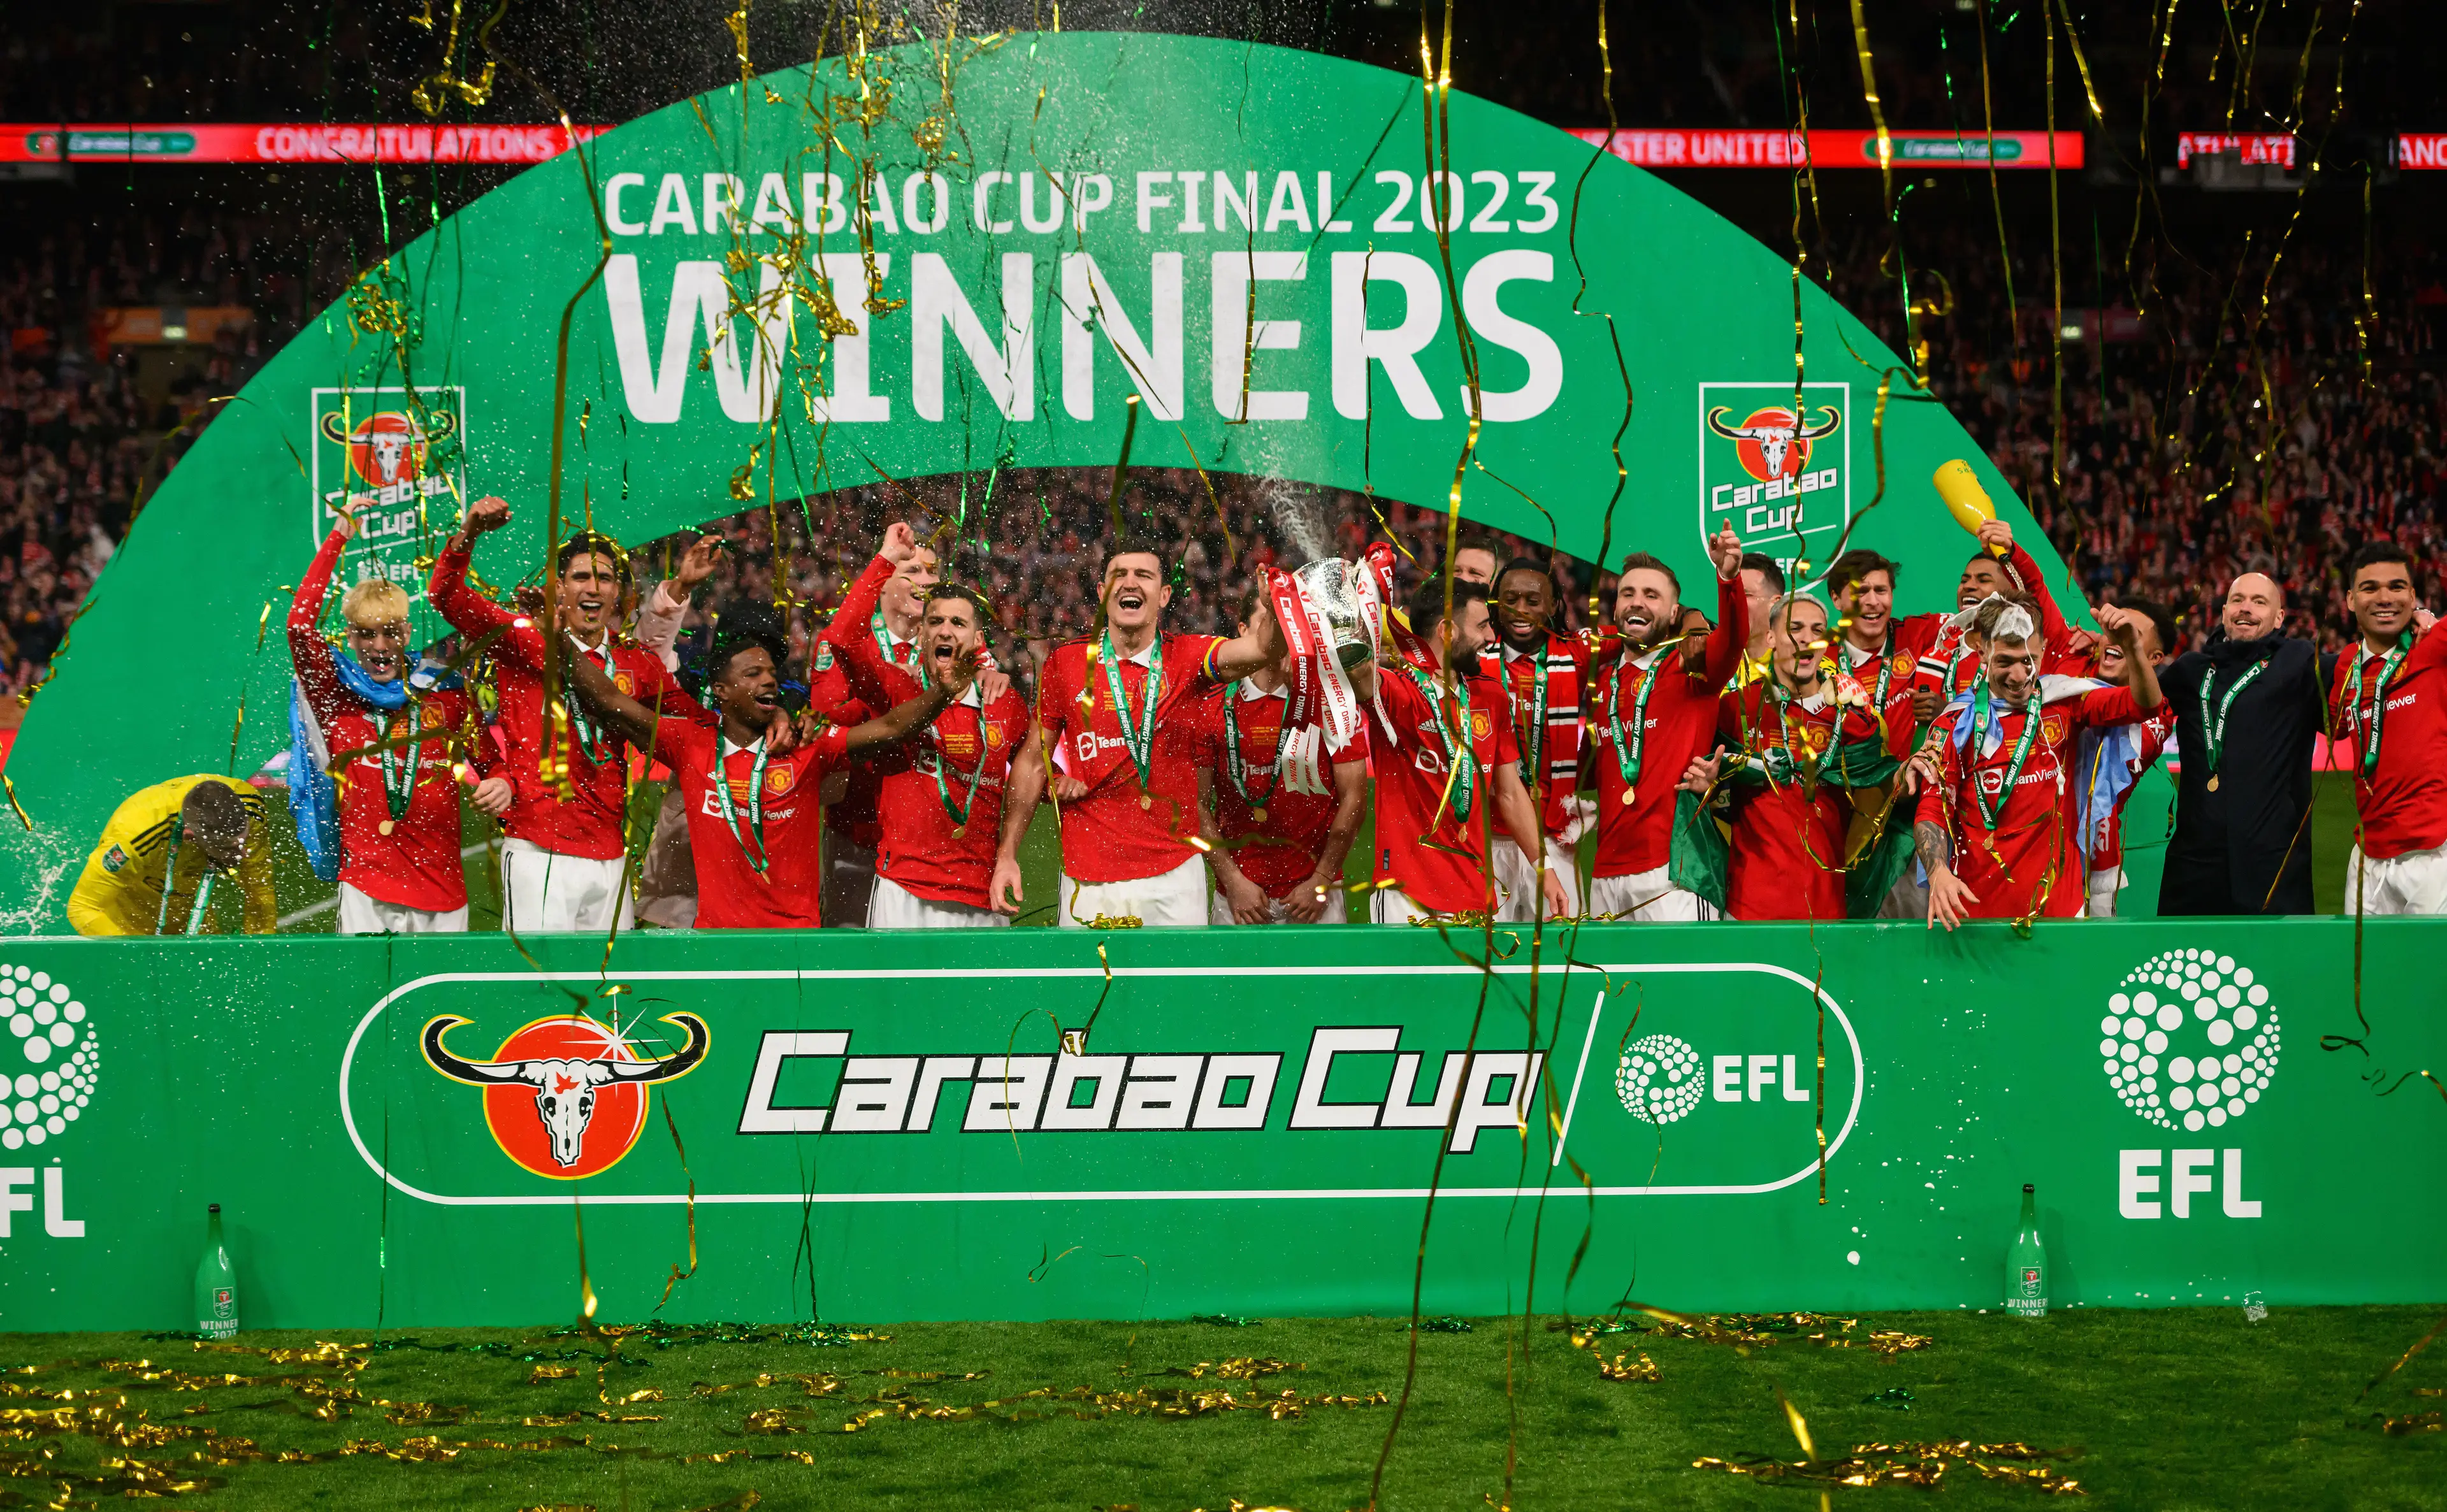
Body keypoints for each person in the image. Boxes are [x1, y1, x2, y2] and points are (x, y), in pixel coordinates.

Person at [563, 613, 971, 929]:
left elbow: (891, 727)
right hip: (716, 937)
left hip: (793, 939)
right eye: (753, 674)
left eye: (772, 674)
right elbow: (606, 698)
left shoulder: (808, 749)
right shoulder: (690, 743)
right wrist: (554, 635)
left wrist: (942, 691)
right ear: (720, 691)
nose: (769, 681)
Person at [429, 496, 706, 933]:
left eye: (605, 578)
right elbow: (445, 596)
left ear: (619, 592)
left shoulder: (637, 664)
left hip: (611, 858)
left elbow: (699, 727)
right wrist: (469, 534)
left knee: (609, 990)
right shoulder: (522, 642)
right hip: (539, 852)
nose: (593, 588)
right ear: (560, 586)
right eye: (580, 576)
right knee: (539, 989)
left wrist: (779, 725)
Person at [990, 531, 1285, 926]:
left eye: (1144, 575)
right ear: (1101, 592)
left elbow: (1259, 650)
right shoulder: (1067, 664)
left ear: (1163, 595)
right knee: (1091, 990)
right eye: (1119, 575)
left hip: (1175, 875)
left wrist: (1276, 606)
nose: (1130, 583)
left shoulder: (1190, 657)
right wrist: (1008, 853)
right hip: (1088, 876)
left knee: (1175, 989)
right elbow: (1031, 760)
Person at [287, 499, 480, 934]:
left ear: (408, 632)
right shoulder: (335, 692)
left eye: (390, 632)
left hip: (443, 890)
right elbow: (300, 626)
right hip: (367, 887)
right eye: (366, 633)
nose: (379, 646)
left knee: (441, 1003)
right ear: (350, 635)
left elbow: (488, 757)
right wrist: (339, 535)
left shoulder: (444, 691)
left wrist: (500, 780)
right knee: (363, 1001)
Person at [1914, 596, 2165, 928]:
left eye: (2029, 660)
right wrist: (1938, 872)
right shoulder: (1954, 725)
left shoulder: (2067, 702)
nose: (2019, 676)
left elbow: (2146, 706)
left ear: (2045, 649)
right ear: (1983, 652)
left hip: (2060, 911)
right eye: (2005, 661)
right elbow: (1932, 808)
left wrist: (2133, 648)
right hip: (1973, 912)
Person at [830, 527, 1030, 928]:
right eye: (935, 621)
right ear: (920, 634)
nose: (944, 630)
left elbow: (1034, 768)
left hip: (982, 893)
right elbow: (844, 640)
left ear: (977, 640)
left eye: (958, 622)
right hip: (904, 889)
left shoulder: (1005, 702)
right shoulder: (896, 688)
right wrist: (886, 557)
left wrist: (1058, 783)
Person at [1354, 579, 1569, 924]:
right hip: (1407, 895)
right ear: (1448, 631)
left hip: (1474, 892)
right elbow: (1358, 677)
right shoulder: (1397, 692)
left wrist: (1544, 868)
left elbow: (1511, 793)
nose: (1490, 638)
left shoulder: (1491, 696)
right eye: (1482, 626)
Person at [1583, 527, 1747, 920]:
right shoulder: (1599, 681)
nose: (1637, 603)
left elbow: (1735, 638)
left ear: (1674, 613)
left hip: (1675, 871)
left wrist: (1728, 580)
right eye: (1628, 594)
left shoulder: (1693, 667)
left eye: (1651, 596)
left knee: (1682, 982)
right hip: (1605, 874)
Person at [1194, 587, 1370, 925]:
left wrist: (1321, 881)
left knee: (1319, 981)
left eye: (1293, 624)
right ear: (1244, 633)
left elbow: (1355, 800)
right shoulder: (1213, 706)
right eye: (1271, 620)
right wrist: (1233, 882)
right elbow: (1198, 805)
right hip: (1238, 898)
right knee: (1237, 981)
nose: (1284, 633)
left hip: (1316, 897)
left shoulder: (1331, 701)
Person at [2154, 571, 2325, 916]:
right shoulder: (2191, 670)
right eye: (2238, 600)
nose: (2246, 608)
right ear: (2224, 613)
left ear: (2279, 618)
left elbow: (2366, 676)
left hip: (2274, 870)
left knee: (2277, 969)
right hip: (2194, 869)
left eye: (2259, 602)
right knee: (2185, 968)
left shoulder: (2302, 663)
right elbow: (2136, 700)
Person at [1707, 594, 1884, 921]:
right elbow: (1706, 777)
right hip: (1749, 906)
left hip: (1827, 908)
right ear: (1771, 637)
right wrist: (1710, 782)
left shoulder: (1850, 715)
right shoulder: (1737, 709)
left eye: (1818, 630)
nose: (1807, 638)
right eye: (1795, 628)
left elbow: (1880, 784)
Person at [812, 525, 942, 926]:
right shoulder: (857, 645)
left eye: (932, 572)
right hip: (860, 826)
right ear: (883, 586)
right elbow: (826, 716)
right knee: (847, 950)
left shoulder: (948, 646)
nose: (926, 581)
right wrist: (892, 695)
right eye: (912, 572)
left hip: (929, 832)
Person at [2330, 542, 2447, 915]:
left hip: (2435, 855)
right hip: (2367, 857)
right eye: (2370, 588)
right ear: (2350, 599)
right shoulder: (2347, 665)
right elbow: (2334, 725)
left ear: (2413, 596)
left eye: (2397, 587)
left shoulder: (2437, 645)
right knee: (2364, 973)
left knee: (2432, 972)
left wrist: (2430, 618)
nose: (2385, 598)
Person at [630, 531, 730, 930]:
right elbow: (647, 653)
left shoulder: (792, 736)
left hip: (752, 901)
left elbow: (649, 651)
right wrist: (680, 589)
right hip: (676, 894)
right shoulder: (691, 724)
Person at [1487, 557, 1590, 919]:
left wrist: (1689, 618)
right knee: (1483, 961)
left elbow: (1635, 635)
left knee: (1558, 960)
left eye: (1533, 601)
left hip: (1553, 839)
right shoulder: (1471, 659)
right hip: (1486, 838)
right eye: (1510, 599)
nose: (1521, 610)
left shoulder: (1576, 653)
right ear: (1495, 603)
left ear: (1552, 605)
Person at [2073, 598, 2181, 919]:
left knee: (2094, 959)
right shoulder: (2071, 676)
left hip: (2096, 860)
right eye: (2112, 629)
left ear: (2155, 657)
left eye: (2129, 631)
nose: (2117, 636)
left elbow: (2114, 712)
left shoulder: (2159, 716)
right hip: (2037, 843)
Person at [68, 775, 277, 936]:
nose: (243, 853)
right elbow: (83, 907)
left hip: (193, 912)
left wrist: (258, 949)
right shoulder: (134, 836)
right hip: (131, 921)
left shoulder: (249, 809)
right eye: (227, 847)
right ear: (190, 836)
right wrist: (136, 958)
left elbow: (260, 891)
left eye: (243, 840)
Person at [1731, 552, 1784, 686]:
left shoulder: (1802, 668)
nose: (1733, 602)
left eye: (1746, 594)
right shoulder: (1707, 665)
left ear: (1775, 604)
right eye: (1730, 594)